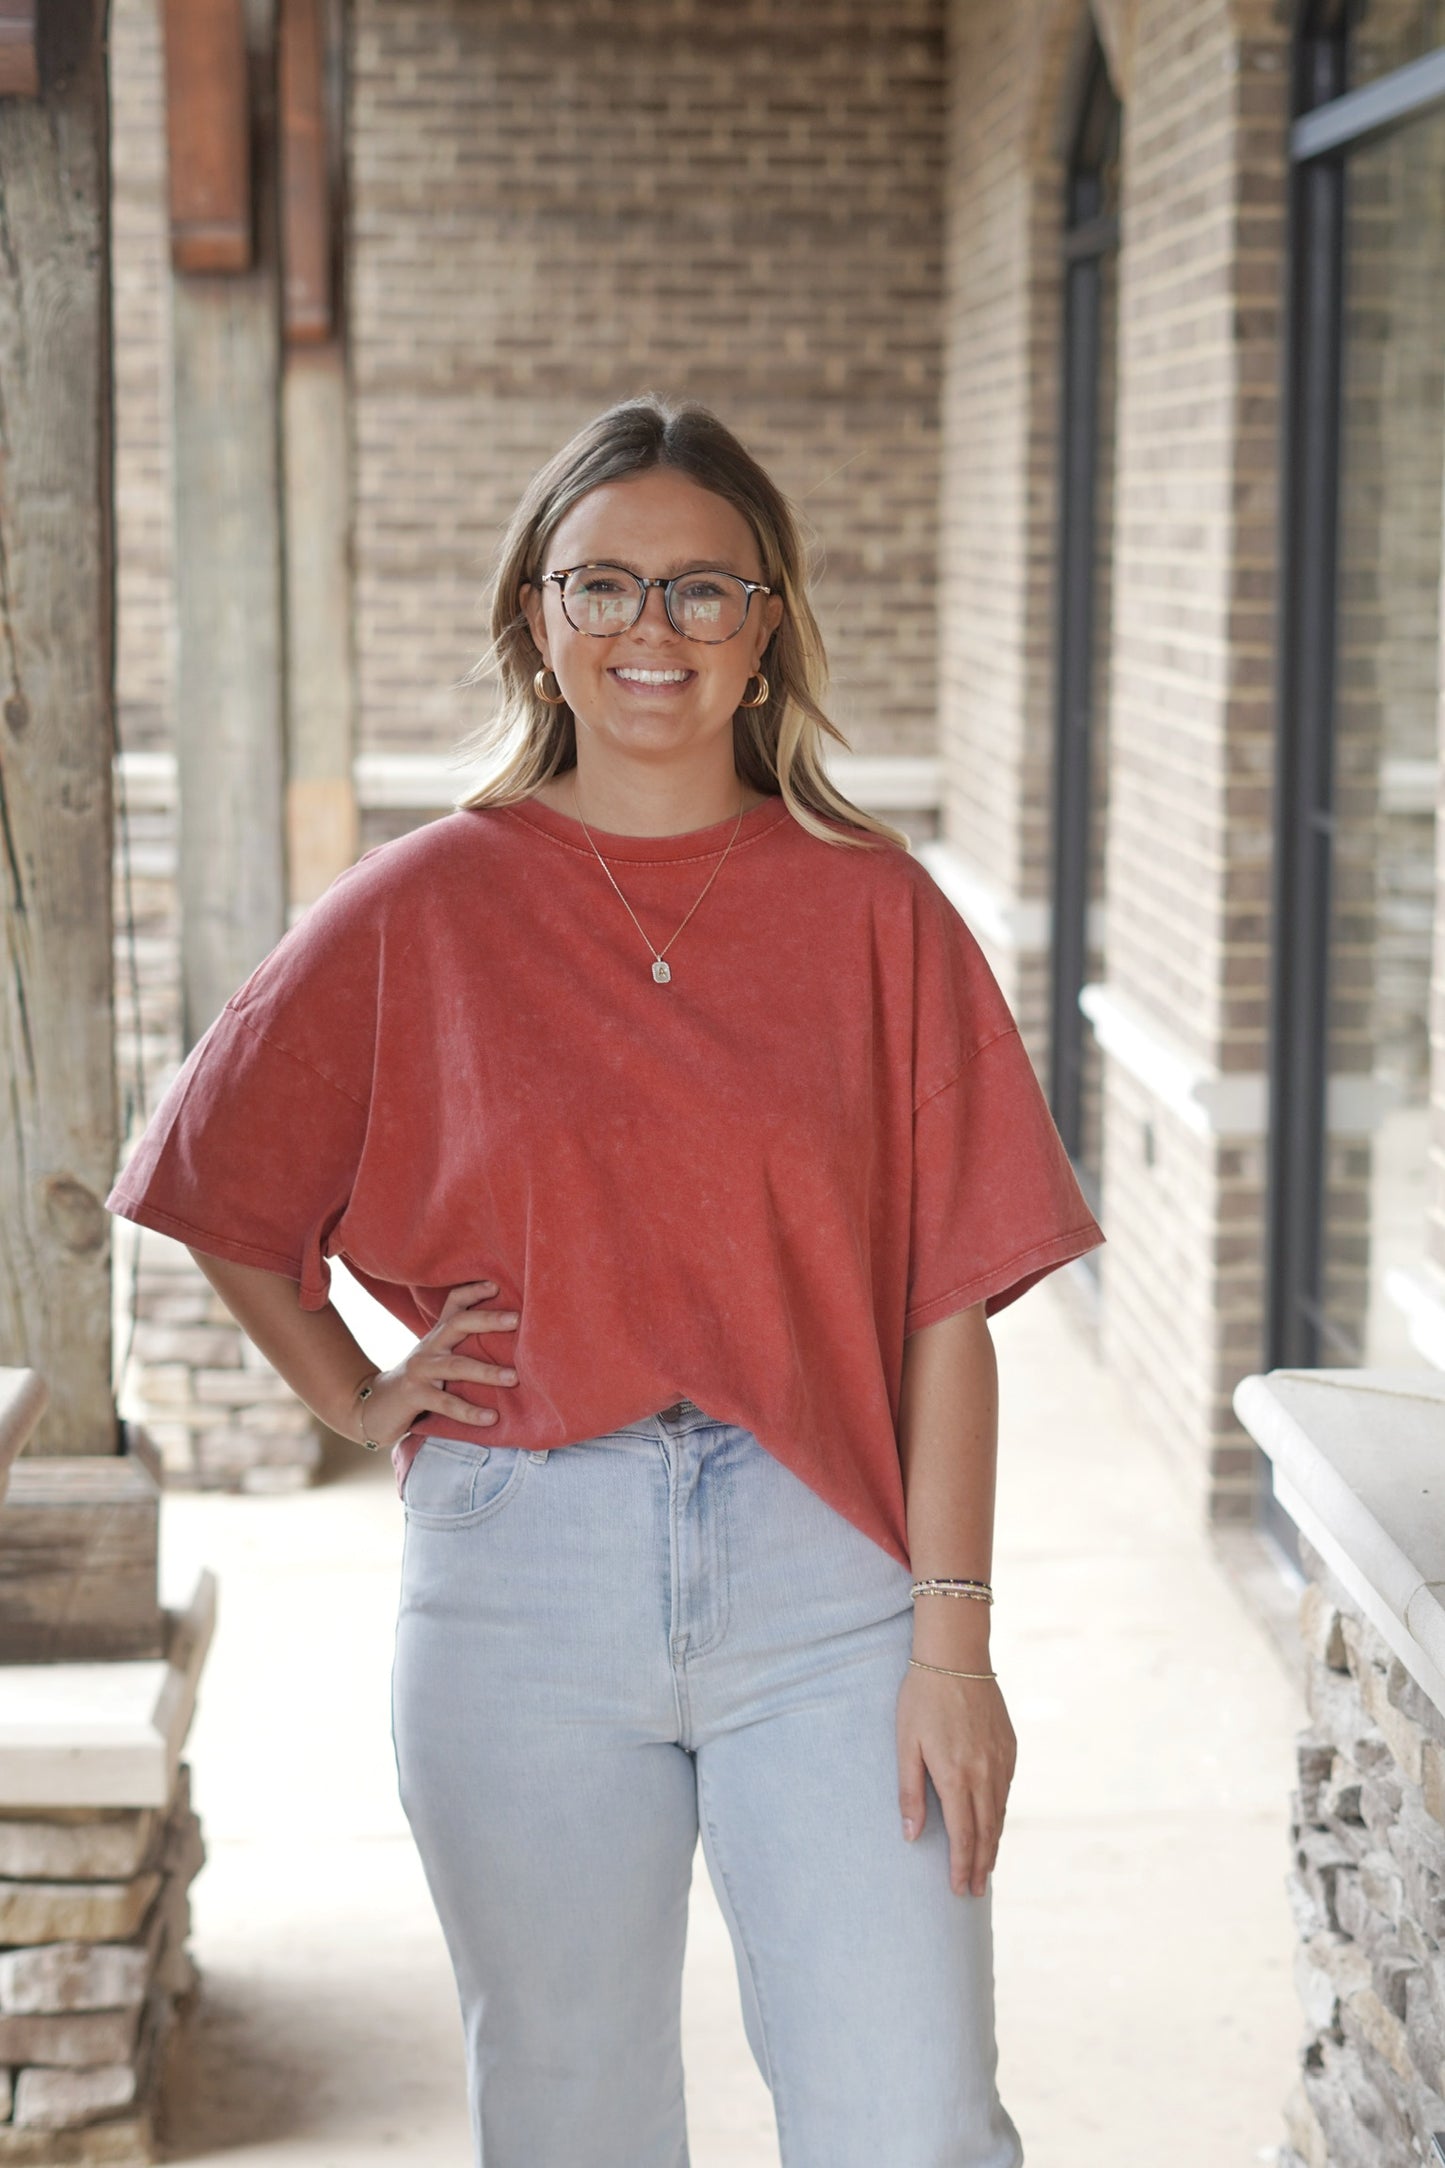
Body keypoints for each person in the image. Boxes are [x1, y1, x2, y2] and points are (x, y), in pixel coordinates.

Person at [106, 395, 1103, 2168]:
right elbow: (217, 1183)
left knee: (914, 2121)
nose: (653, 628)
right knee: (570, 2123)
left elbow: (947, 1304)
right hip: (522, 1582)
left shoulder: (880, 917)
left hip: (830, 1582)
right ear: (537, 623)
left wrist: (953, 1639)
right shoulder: (423, 904)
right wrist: (348, 1388)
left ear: (765, 631)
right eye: (605, 585)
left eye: (703, 590)